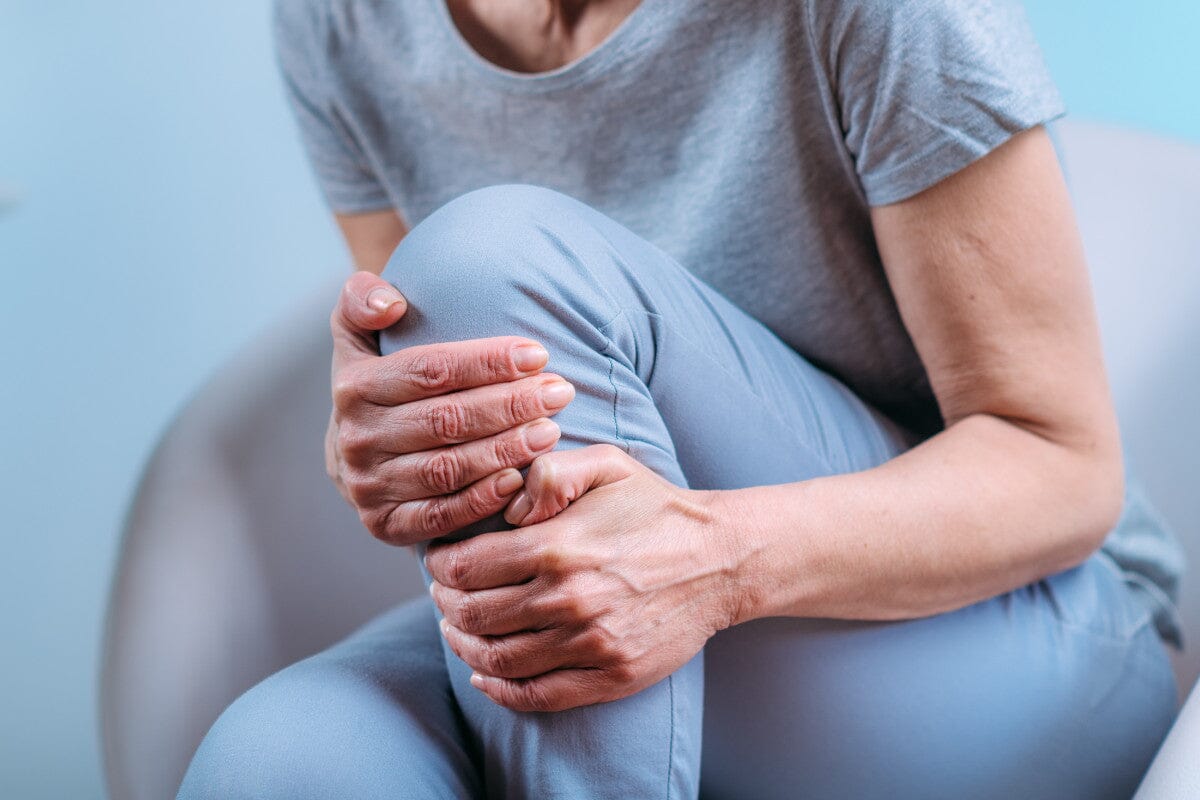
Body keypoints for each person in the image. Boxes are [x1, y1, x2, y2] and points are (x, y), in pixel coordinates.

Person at [178, 1, 1186, 798]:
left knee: (488, 266)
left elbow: (1064, 464)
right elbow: (439, 376)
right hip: (663, 646)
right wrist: (380, 448)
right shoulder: (339, 21)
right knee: (282, 760)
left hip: (1021, 644)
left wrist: (716, 562)